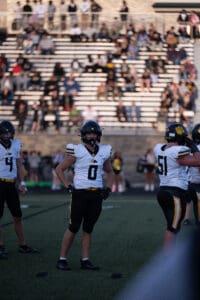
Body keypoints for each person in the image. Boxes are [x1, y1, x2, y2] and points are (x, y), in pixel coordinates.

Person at [55, 120, 113, 270]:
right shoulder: (77, 150)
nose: (91, 135)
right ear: (83, 135)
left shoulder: (104, 151)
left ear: (98, 134)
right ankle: (62, 258)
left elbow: (110, 171)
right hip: (80, 194)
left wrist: (108, 187)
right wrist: (68, 186)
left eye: (93, 133)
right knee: (73, 226)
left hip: (96, 195)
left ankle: (85, 259)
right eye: (88, 133)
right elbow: (59, 169)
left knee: (88, 228)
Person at [154, 122, 200, 252]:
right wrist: (193, 146)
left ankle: (168, 253)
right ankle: (167, 257)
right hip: (174, 193)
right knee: (173, 228)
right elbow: (198, 161)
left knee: (172, 226)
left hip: (163, 191)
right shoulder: (178, 151)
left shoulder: (159, 148)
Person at [0, 120, 38, 258]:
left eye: (9, 133)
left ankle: (22, 245)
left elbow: (19, 164)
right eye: (4, 133)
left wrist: (22, 182)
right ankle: (1, 246)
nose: (7, 135)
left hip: (11, 185)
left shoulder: (16, 145)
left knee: (17, 216)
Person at [183, 123, 200, 226]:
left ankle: (186, 218)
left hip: (189, 180)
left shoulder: (190, 148)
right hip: (197, 181)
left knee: (189, 201)